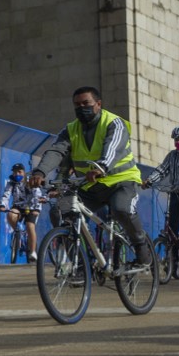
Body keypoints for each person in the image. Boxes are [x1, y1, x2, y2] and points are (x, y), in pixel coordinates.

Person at [29, 86, 152, 269]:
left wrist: (101, 167)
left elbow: (113, 148)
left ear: (98, 104)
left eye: (86, 103)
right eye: (77, 105)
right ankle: (81, 266)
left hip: (120, 181)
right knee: (62, 214)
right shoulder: (70, 130)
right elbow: (56, 151)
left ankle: (141, 246)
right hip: (89, 186)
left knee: (121, 209)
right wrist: (40, 172)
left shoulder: (114, 123)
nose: (81, 107)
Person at [0, 163, 43, 262]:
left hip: (31, 207)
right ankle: (17, 232)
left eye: (19, 172)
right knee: (10, 215)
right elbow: (6, 194)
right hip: (18, 206)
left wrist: (36, 209)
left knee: (30, 226)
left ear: (24, 172)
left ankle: (32, 251)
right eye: (15, 172)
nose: (17, 174)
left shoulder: (30, 181)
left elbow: (37, 195)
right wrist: (2, 205)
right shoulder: (11, 183)